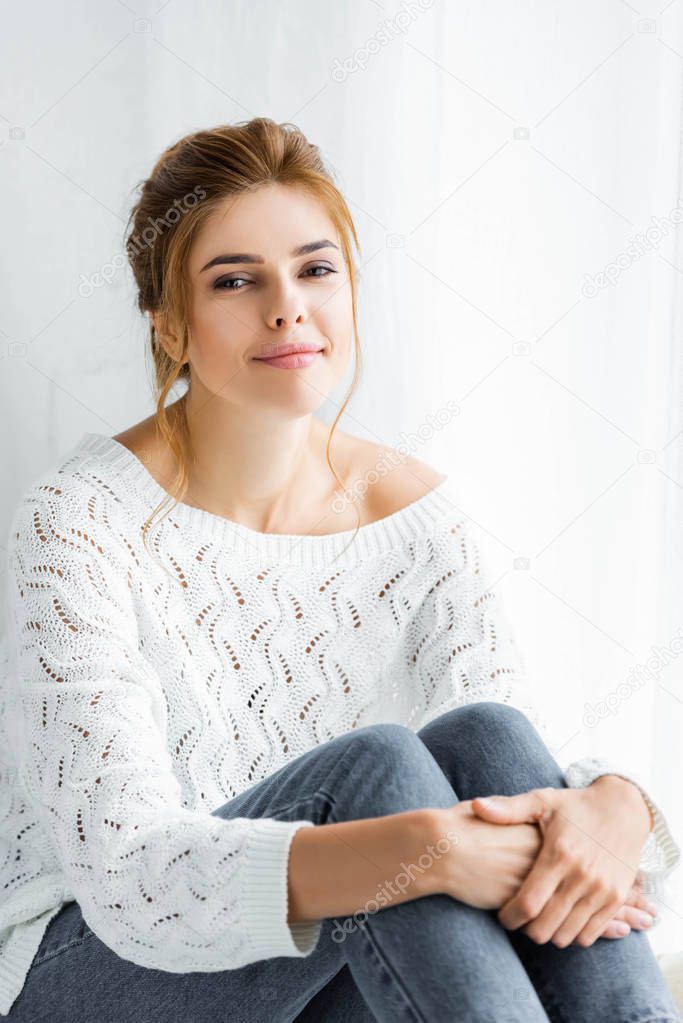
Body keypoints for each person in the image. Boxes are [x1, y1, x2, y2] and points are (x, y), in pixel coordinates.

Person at [0, 117, 680, 1022]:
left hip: (331, 963)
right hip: (90, 966)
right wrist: (424, 849)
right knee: (378, 772)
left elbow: (514, 795)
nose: (288, 307)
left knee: (488, 735)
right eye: (235, 280)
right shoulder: (80, 520)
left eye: (315, 270)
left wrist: (616, 806)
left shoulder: (413, 519)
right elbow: (131, 880)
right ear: (168, 324)